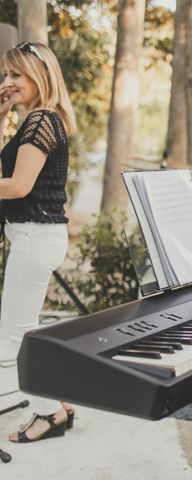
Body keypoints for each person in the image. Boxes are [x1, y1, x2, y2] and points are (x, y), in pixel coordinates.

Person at [0, 42, 76, 442]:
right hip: (36, 235)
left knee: (11, 337)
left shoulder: (42, 120)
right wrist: (1, 114)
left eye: (15, 75)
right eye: (5, 74)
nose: (7, 82)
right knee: (26, 330)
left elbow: (17, 186)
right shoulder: (39, 119)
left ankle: (48, 415)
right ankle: (60, 402)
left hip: (35, 235)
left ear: (39, 76)